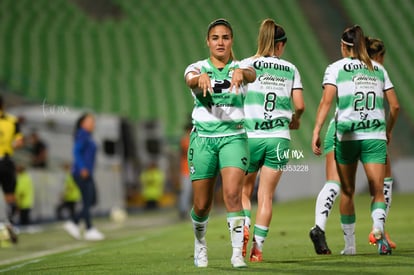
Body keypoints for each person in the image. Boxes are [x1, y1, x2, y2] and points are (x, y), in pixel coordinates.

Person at [311, 25, 399, 255]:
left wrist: (316, 130)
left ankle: (349, 245)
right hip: (374, 135)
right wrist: (387, 129)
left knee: (346, 191)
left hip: (347, 134)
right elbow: (396, 105)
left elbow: (326, 102)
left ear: (343, 46)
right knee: (377, 190)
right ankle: (378, 229)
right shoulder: (378, 69)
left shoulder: (335, 68)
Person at [184, 18, 256, 268]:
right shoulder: (197, 67)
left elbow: (251, 74)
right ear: (208, 41)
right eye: (215, 38)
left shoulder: (241, 66)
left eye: (225, 37)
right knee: (202, 205)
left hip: (233, 138)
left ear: (231, 40)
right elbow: (189, 78)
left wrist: (241, 73)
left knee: (232, 194)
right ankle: (200, 243)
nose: (220, 42)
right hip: (203, 139)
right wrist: (198, 79)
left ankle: (237, 253)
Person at [241, 19, 305, 262]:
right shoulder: (290, 69)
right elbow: (300, 105)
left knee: (243, 191)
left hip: (250, 137)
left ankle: (244, 227)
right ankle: (258, 249)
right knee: (265, 197)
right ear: (281, 45)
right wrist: (296, 119)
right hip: (278, 138)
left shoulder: (247, 65)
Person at [63, 113, 105, 241]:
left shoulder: (87, 135)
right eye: (90, 121)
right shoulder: (82, 134)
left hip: (87, 172)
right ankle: (88, 229)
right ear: (82, 123)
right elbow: (76, 151)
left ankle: (75, 223)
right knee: (88, 201)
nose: (93, 123)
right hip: (82, 173)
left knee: (91, 200)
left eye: (93, 121)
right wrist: (82, 168)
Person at [0, 95, 24, 244]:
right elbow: (19, 142)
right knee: (10, 195)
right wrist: (11, 145)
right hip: (6, 161)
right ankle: (9, 223)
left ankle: (5, 225)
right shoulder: (12, 120)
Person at [178, 122, 192, 219]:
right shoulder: (185, 141)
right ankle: (183, 210)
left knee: (190, 192)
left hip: (195, 170)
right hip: (186, 170)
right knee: (185, 191)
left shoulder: (194, 139)